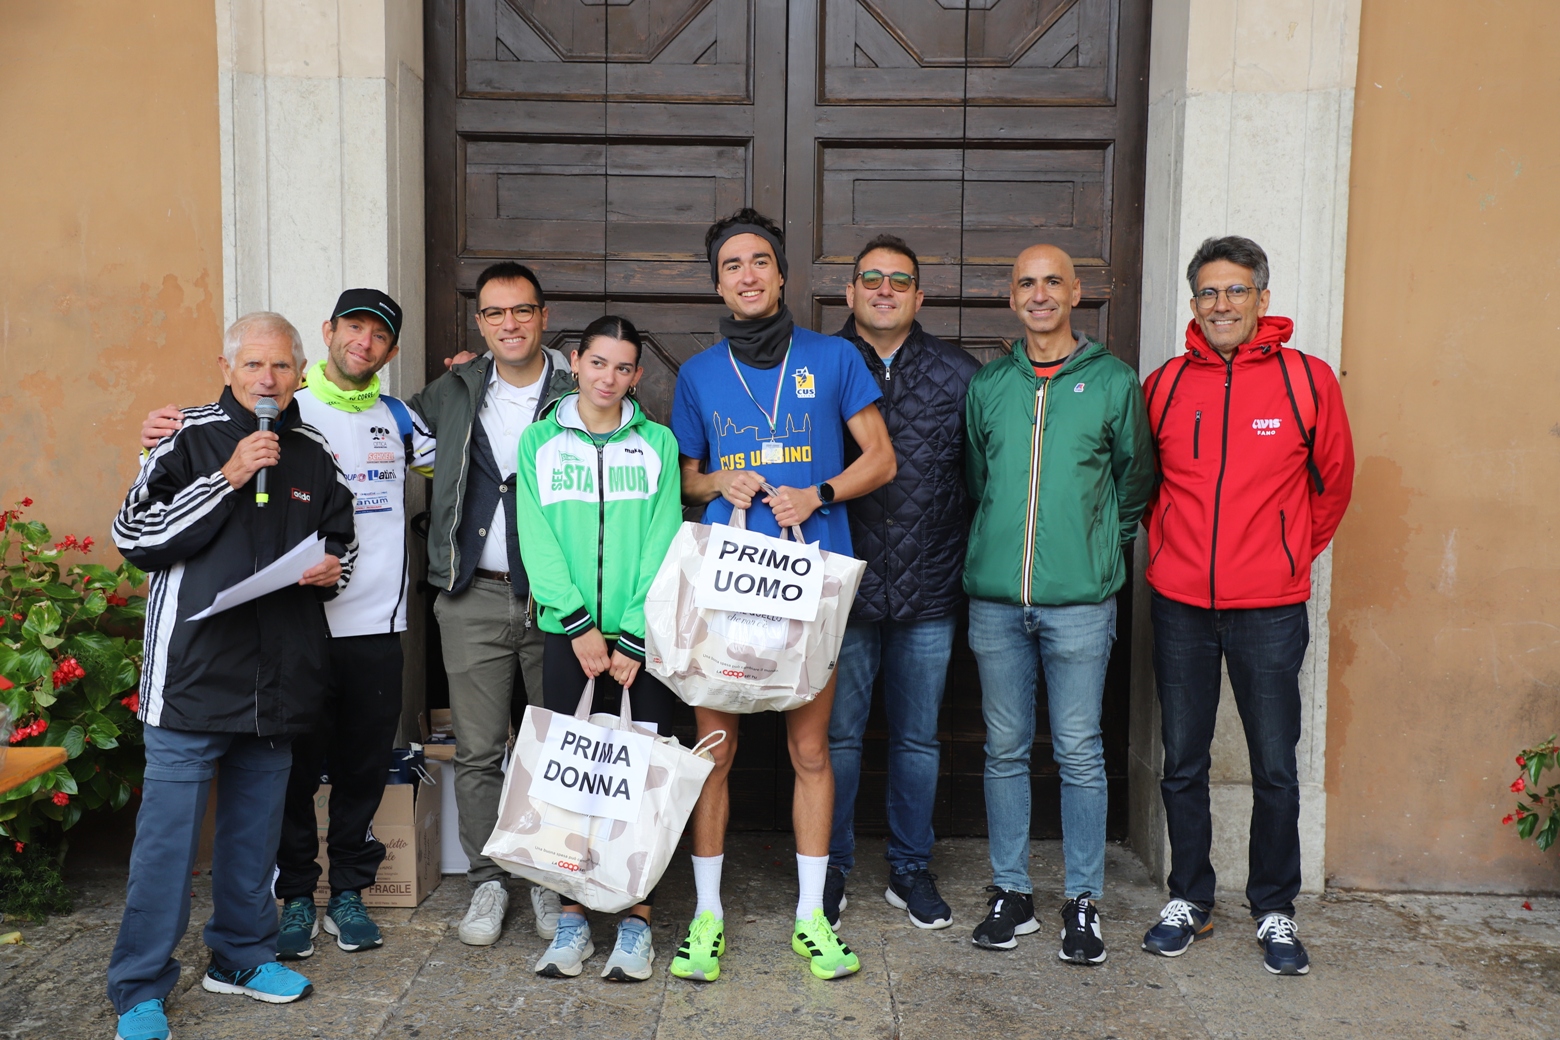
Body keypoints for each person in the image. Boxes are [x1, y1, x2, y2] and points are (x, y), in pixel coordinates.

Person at [139, 290, 435, 961]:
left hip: (371, 624)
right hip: (275, 640)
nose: (364, 342)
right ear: (326, 334)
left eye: (379, 335)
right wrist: (194, 450)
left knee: (360, 767)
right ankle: (295, 892)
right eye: (352, 328)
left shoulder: (395, 418)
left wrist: (468, 377)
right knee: (291, 775)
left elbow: (464, 462)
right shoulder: (233, 421)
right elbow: (143, 526)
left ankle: (345, 892)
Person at [106, 312, 357, 1040]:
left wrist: (332, 570)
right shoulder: (183, 436)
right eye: (252, 365)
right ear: (226, 368)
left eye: (280, 366)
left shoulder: (314, 451)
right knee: (167, 846)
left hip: (277, 679)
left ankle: (241, 956)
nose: (267, 380)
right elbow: (134, 536)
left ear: (301, 373)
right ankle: (139, 987)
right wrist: (227, 477)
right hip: (191, 675)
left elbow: (342, 542)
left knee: (254, 838)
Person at [668, 207, 897, 982]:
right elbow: (686, 477)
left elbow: (881, 458)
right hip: (729, 584)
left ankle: (810, 919)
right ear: (718, 285)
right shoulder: (699, 374)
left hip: (809, 584)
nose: (748, 275)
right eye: (732, 265)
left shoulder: (833, 358)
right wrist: (718, 481)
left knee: (809, 751)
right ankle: (707, 916)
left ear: (782, 274)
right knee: (715, 753)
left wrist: (819, 492)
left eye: (759, 260)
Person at [1138, 235, 1354, 976]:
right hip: (1181, 604)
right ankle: (1189, 898)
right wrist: (1173, 553)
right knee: (1182, 760)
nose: (1221, 304)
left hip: (1270, 608)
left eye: (1235, 290)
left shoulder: (1307, 380)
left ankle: (1274, 908)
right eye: (1208, 292)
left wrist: (1286, 555)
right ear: (1193, 302)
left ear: (1262, 297)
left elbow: (1333, 484)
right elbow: (1148, 488)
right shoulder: (1166, 385)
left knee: (1274, 765)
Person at [962, 245, 1154, 964]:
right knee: (1004, 748)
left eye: (1052, 282)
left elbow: (1135, 481)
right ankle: (1012, 893)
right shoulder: (990, 384)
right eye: (1026, 283)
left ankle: (1082, 901)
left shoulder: (1113, 381)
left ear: (1076, 292)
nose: (1039, 294)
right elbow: (978, 480)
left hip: (1080, 603)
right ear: (1011, 298)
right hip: (996, 602)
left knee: (1079, 750)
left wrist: (1100, 547)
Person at [405, 261, 577, 946]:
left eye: (522, 310)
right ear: (479, 323)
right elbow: (371, 427)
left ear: (543, 316)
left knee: (554, 750)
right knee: (478, 751)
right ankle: (487, 881)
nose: (510, 324)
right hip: (472, 594)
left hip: (558, 602)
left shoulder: (576, 387)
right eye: (496, 313)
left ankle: (549, 881)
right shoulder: (452, 390)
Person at [513, 315, 684, 982]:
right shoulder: (539, 441)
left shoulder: (658, 444)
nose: (608, 378)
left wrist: (634, 634)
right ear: (576, 363)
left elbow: (664, 538)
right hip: (570, 637)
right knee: (571, 781)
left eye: (622, 367)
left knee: (638, 781)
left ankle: (636, 924)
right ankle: (573, 921)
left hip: (642, 644)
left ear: (636, 375)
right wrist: (579, 625)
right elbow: (536, 538)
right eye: (597, 363)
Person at [824, 235, 979, 931]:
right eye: (871, 278)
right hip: (842, 586)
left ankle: (911, 868)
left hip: (929, 586)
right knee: (838, 740)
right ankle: (829, 864)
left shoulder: (959, 373)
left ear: (919, 296)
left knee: (919, 741)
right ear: (850, 292)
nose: (884, 289)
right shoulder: (817, 364)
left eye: (899, 280)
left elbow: (981, 480)